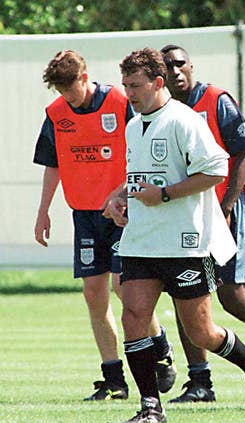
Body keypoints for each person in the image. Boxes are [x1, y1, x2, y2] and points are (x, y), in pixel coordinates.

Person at [107, 47, 245, 423]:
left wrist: (164, 195)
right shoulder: (134, 125)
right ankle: (151, 406)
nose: (128, 93)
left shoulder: (184, 120)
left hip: (185, 240)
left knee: (201, 333)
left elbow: (216, 171)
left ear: (158, 82)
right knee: (133, 315)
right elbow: (141, 177)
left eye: (135, 85)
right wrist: (120, 200)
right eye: (125, 85)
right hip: (142, 238)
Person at [33, 50, 175, 401]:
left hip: (124, 210)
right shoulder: (56, 114)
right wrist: (43, 211)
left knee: (123, 288)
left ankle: (159, 348)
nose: (68, 98)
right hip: (84, 213)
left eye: (72, 89)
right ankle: (114, 379)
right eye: (61, 92)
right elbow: (52, 164)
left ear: (84, 77)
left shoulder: (119, 101)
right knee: (93, 294)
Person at [159, 44, 245, 402]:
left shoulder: (217, 100)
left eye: (180, 63)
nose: (175, 71)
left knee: (233, 297)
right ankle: (200, 382)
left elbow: (244, 153)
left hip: (227, 208)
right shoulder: (162, 110)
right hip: (187, 213)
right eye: (168, 66)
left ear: (191, 64)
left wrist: (228, 205)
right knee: (185, 294)